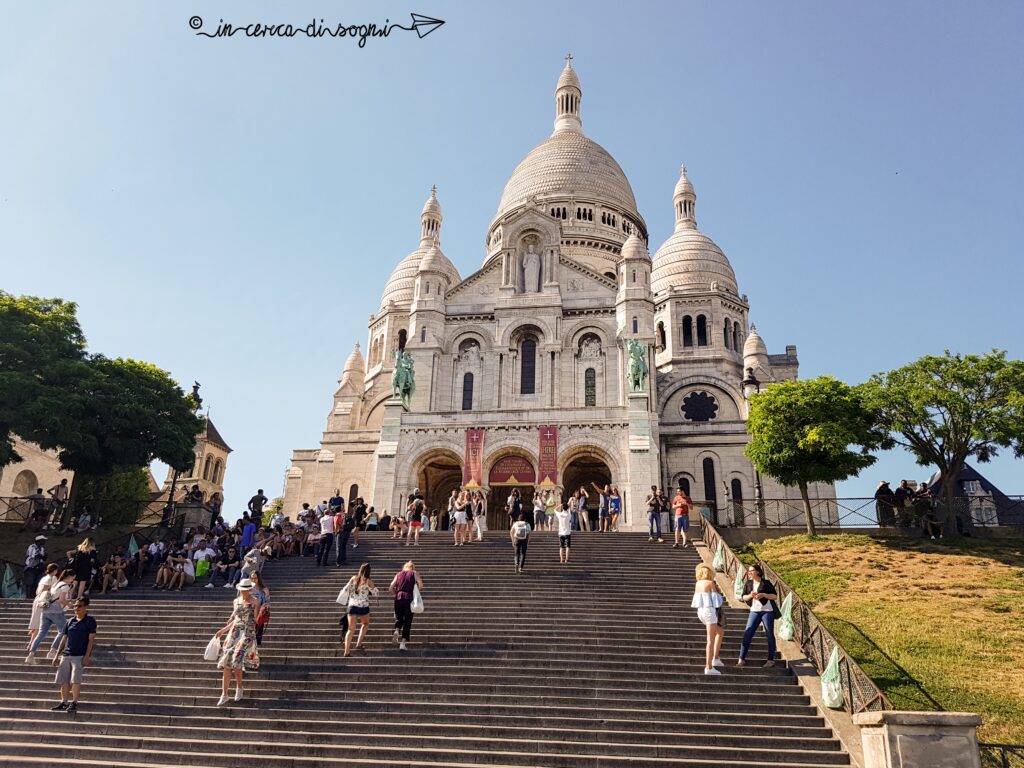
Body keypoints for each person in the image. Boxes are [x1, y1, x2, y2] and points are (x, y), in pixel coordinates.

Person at [214, 578, 260, 705]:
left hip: (247, 631)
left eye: (247, 589)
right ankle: (224, 694)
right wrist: (223, 630)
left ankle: (239, 687)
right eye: (243, 589)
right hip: (235, 632)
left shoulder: (255, 601)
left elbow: (256, 620)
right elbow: (235, 620)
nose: (245, 591)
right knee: (227, 662)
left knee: (237, 659)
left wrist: (260, 611)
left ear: (250, 589)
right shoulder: (236, 601)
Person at [50, 596, 97, 714]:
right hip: (66, 654)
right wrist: (57, 655)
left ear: (86, 607)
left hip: (79, 655)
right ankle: (64, 701)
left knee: (75, 680)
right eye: (75, 606)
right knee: (64, 680)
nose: (76, 608)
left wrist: (87, 656)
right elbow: (64, 639)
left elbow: (91, 640)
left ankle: (74, 702)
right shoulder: (70, 621)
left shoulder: (90, 621)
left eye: (79, 606)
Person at [26, 569, 75, 662]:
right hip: (56, 611)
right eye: (73, 578)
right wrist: (71, 604)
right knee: (64, 631)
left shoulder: (56, 584)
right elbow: (61, 600)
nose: (73, 580)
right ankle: (52, 651)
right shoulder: (65, 586)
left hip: (45, 610)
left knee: (41, 633)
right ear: (69, 577)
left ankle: (30, 655)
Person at [738, 563, 779, 668]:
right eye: (749, 571)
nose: (750, 572)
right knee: (748, 633)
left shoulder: (766, 583)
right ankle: (741, 659)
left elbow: (774, 596)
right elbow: (743, 597)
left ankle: (771, 660)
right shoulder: (748, 583)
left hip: (767, 611)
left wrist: (764, 595)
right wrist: (750, 595)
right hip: (754, 611)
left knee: (769, 634)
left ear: (758, 572)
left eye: (752, 570)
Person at [691, 563, 726, 675]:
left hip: (700, 610)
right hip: (709, 610)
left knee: (719, 632)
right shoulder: (710, 583)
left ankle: (715, 658)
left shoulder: (698, 583)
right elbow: (717, 602)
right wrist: (719, 592)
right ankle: (709, 666)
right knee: (710, 640)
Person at [341, 563, 379, 657]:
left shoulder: (353, 578)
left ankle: (346, 651)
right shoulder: (368, 581)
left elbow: (347, 589)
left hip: (352, 606)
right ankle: (358, 644)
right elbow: (375, 593)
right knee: (365, 624)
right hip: (363, 607)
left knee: (350, 629)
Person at [389, 561, 423, 651]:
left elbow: (390, 587)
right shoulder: (414, 573)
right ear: (413, 567)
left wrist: (396, 593)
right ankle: (402, 643)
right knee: (408, 620)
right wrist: (415, 591)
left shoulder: (398, 574)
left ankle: (396, 630)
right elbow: (421, 585)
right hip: (409, 598)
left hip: (399, 598)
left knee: (399, 617)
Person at [27, 563, 60, 650]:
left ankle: (31, 642)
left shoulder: (43, 578)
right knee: (39, 624)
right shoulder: (52, 578)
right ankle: (31, 644)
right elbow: (53, 591)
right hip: (44, 600)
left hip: (37, 599)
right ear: (54, 570)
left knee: (36, 621)